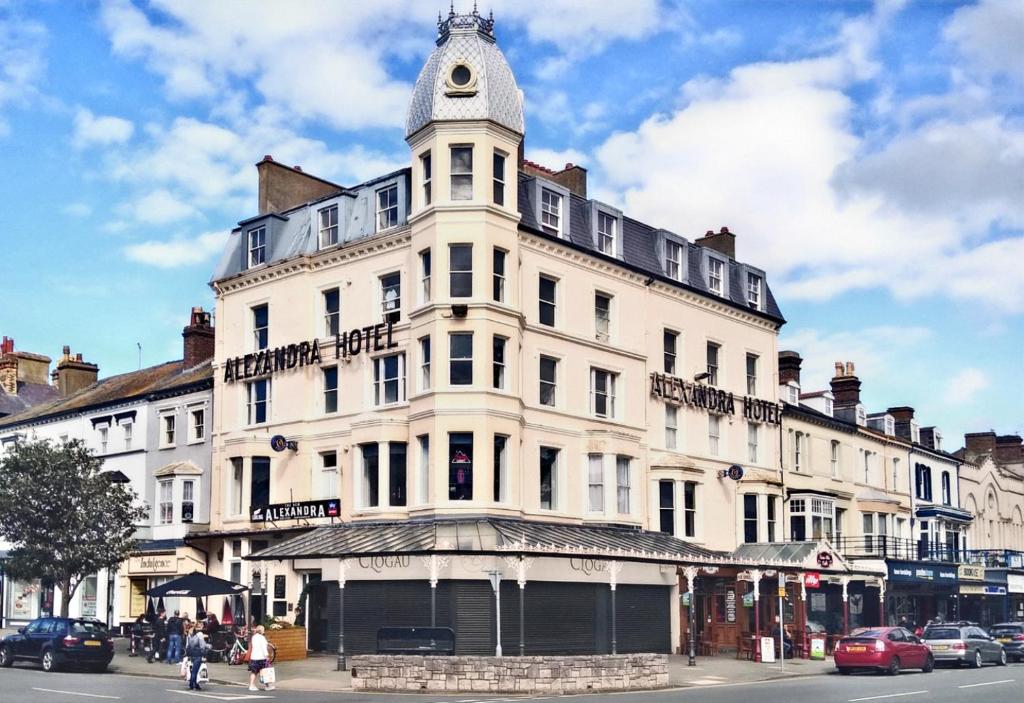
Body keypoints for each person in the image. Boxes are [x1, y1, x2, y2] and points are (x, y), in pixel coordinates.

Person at [247, 625, 276, 692]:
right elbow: (263, 648)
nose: (264, 630)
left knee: (254, 672)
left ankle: (251, 685)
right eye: (263, 629)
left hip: (254, 657)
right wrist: (267, 656)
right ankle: (267, 686)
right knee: (264, 672)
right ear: (261, 630)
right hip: (261, 657)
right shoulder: (262, 638)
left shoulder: (254, 637)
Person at [184, 623, 209, 691]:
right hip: (198, 655)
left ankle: (194, 685)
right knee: (195, 671)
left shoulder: (189, 635)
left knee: (193, 670)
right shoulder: (199, 635)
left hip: (191, 655)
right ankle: (193, 685)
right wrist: (205, 651)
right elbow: (202, 646)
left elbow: (187, 646)